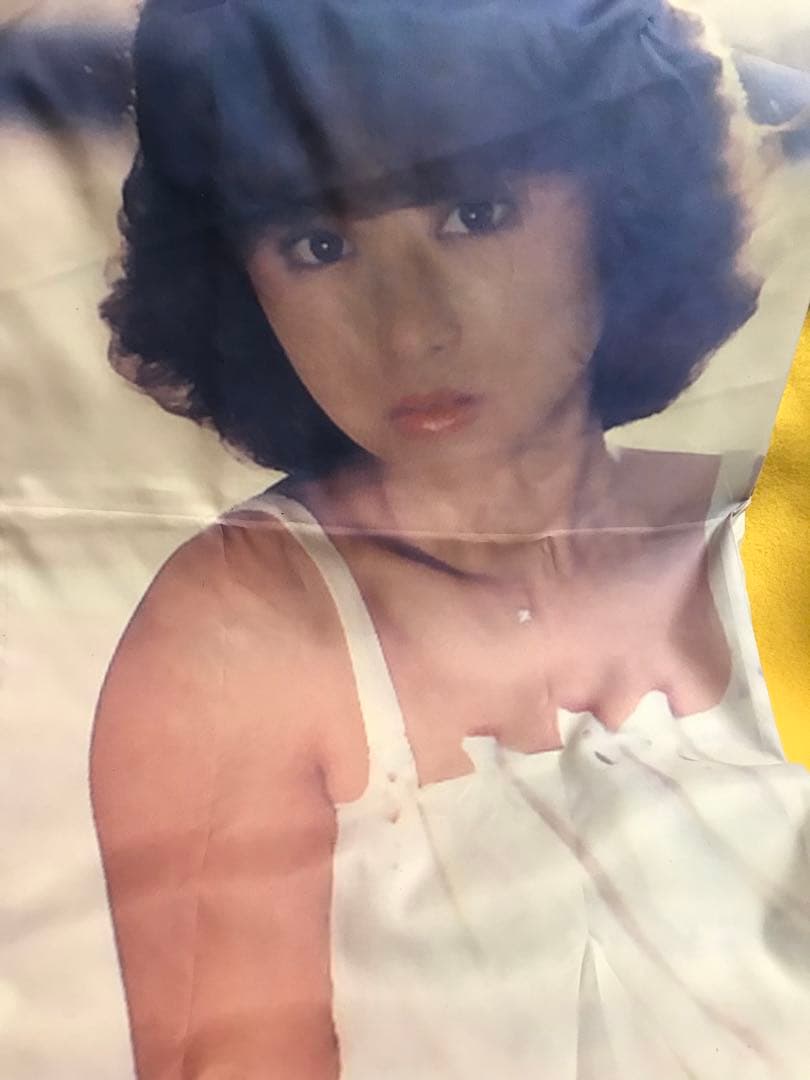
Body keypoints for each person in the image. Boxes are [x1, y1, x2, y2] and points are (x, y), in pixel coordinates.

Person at [89, 1, 810, 1077]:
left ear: (619, 197)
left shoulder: (775, 531)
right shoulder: (237, 630)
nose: (410, 328)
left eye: (477, 212)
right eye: (319, 243)